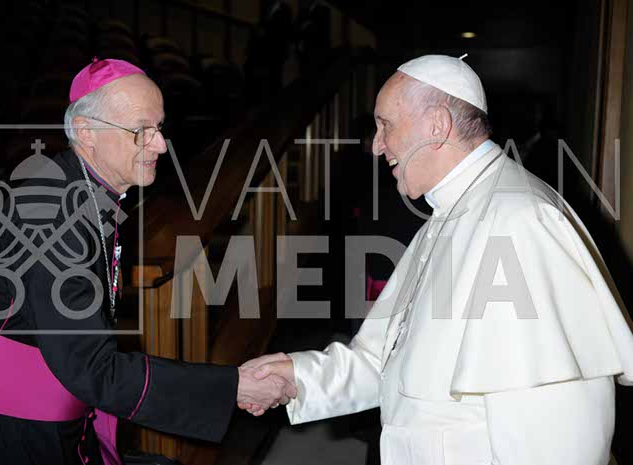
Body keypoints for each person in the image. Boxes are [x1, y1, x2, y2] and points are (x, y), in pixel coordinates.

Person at [240, 54, 633, 465]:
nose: (376, 145)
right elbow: (387, 359)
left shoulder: (519, 221)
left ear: (437, 125)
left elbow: (558, 439)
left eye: (386, 125)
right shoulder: (451, 211)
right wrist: (297, 377)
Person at [0, 58, 295, 465]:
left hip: (58, 419)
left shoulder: (83, 189)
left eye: (159, 128)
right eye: (141, 131)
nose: (160, 145)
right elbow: (93, 369)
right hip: (9, 435)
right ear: (86, 132)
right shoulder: (54, 220)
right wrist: (233, 386)